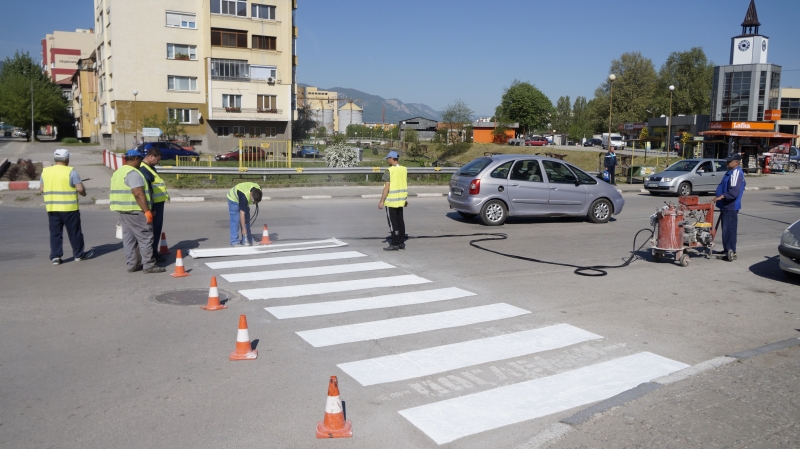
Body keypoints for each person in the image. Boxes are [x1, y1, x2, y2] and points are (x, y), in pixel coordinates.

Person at [110, 149, 165, 273]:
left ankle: (133, 264)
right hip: (136, 210)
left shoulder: (118, 172)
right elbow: (138, 194)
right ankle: (149, 265)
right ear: (135, 159)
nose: (141, 162)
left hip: (123, 211)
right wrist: (147, 211)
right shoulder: (134, 173)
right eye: (140, 159)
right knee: (145, 237)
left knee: (129, 239)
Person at [40, 149, 93, 265]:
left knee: (55, 233)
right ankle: (78, 255)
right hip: (69, 209)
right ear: (67, 159)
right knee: (75, 233)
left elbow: (42, 189)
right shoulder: (71, 172)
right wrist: (83, 193)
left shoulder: (45, 172)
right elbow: (80, 189)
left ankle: (55, 257)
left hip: (52, 208)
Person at [713, 153, 746, 262]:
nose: (727, 162)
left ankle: (731, 251)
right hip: (725, 206)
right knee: (725, 230)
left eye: (730, 161)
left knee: (730, 230)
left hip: (730, 206)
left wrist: (721, 197)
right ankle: (726, 249)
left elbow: (734, 192)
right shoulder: (730, 172)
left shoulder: (736, 173)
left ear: (736, 162)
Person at [139, 146, 169, 259]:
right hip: (153, 205)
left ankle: (153, 253)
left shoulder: (149, 167)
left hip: (157, 203)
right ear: (151, 157)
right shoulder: (144, 169)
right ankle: (152, 255)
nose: (158, 162)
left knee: (155, 230)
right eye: (157, 159)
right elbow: (147, 190)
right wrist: (150, 208)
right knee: (152, 231)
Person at [378, 151, 408, 251]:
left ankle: (394, 244)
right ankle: (401, 242)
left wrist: (381, 201)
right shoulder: (404, 169)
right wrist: (405, 199)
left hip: (391, 202)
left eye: (388, 159)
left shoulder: (389, 171)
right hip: (401, 201)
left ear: (391, 158)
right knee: (400, 221)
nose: (387, 160)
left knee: (393, 223)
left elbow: (386, 188)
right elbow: (403, 184)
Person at [227, 182, 262, 246]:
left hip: (244, 198)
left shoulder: (258, 190)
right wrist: (243, 228)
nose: (253, 202)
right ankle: (234, 241)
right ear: (251, 194)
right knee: (235, 221)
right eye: (253, 200)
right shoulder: (244, 196)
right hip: (233, 199)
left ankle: (248, 239)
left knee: (246, 220)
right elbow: (242, 214)